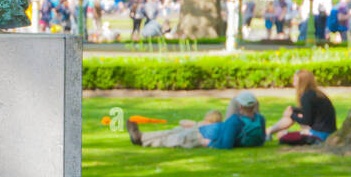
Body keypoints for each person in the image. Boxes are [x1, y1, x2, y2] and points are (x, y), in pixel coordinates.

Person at [128, 91, 266, 150]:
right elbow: (260, 140)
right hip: (206, 130)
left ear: (240, 106)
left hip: (205, 134)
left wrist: (210, 143)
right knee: (177, 131)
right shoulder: (260, 119)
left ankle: (142, 139)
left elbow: (226, 145)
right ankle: (142, 137)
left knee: (176, 138)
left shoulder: (235, 121)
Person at [266, 68, 337, 144]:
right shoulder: (317, 93)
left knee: (282, 135)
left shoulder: (306, 96)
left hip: (319, 135)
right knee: (292, 116)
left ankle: (268, 132)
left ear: (302, 82)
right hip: (328, 132)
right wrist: (294, 110)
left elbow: (307, 121)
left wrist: (291, 115)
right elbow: (311, 112)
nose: (293, 83)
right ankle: (268, 132)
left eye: (295, 80)